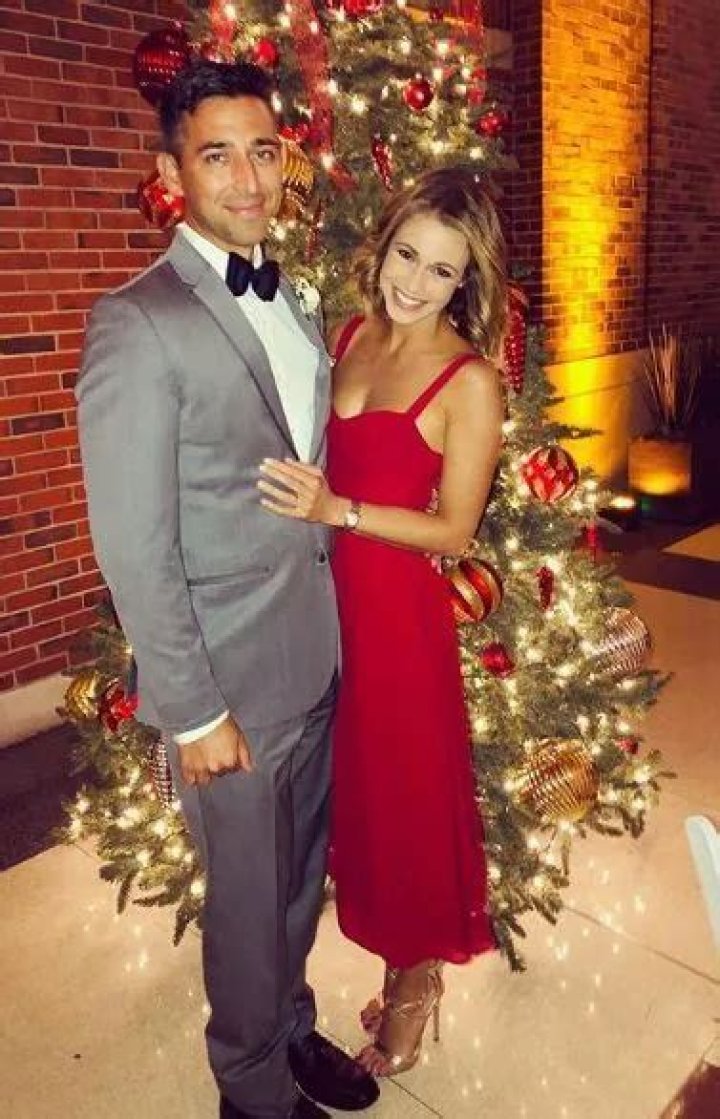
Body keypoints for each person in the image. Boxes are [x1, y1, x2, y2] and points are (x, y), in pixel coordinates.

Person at [76, 60, 378, 1119]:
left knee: (294, 881)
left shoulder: (290, 294)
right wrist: (194, 710)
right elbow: (132, 541)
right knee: (248, 902)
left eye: (263, 151)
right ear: (173, 174)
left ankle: (288, 1029)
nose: (248, 180)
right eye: (217, 156)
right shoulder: (138, 321)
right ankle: (250, 1091)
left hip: (310, 653)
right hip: (228, 685)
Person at [257, 167, 506, 1077]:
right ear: (385, 243)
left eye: (442, 271)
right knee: (357, 800)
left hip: (396, 618)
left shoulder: (469, 381)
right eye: (407, 254)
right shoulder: (349, 336)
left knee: (403, 803)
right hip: (323, 607)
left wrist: (343, 512)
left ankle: (415, 982)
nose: (415, 282)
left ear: (466, 281)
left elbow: (456, 530)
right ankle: (401, 962)